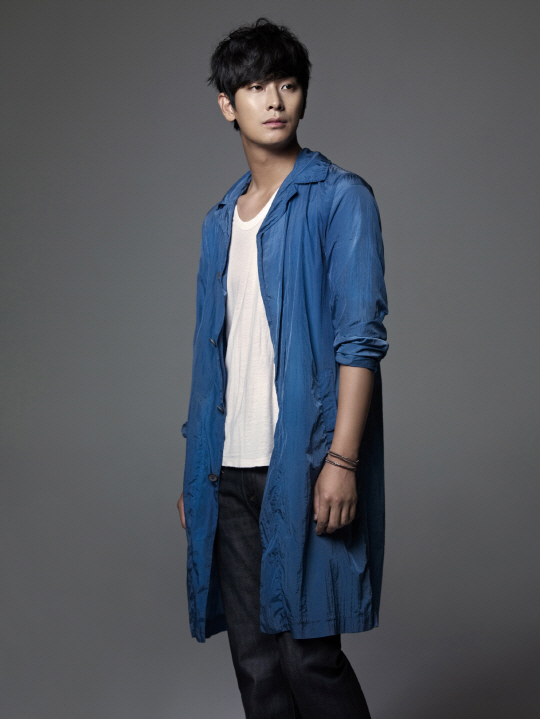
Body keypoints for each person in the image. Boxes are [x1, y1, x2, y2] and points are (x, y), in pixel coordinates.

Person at [177, 17, 389, 719]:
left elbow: (359, 342)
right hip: (228, 471)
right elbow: (213, 356)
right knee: (257, 665)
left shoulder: (340, 198)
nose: (274, 101)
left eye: (289, 85)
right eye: (256, 87)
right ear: (227, 103)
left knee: (308, 658)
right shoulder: (219, 220)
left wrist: (342, 461)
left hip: (301, 463)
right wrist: (196, 470)